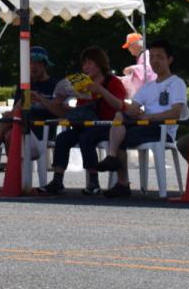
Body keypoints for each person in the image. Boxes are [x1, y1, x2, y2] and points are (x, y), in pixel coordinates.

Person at [95, 39, 187, 198]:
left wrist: (148, 116)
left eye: (159, 57)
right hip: (144, 125)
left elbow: (176, 113)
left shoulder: (176, 83)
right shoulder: (148, 86)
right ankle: (113, 161)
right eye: (151, 57)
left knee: (118, 137)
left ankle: (121, 181)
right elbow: (132, 105)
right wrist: (133, 110)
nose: (155, 61)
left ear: (169, 60)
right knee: (119, 117)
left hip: (161, 129)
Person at [39, 47, 128, 195]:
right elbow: (80, 110)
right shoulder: (83, 84)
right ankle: (57, 180)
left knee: (86, 137)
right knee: (62, 138)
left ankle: (93, 182)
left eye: (89, 63)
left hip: (107, 125)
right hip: (85, 124)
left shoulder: (113, 82)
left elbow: (120, 105)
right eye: (84, 64)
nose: (85, 68)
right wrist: (56, 101)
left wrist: (100, 90)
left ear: (100, 63)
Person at [0, 46, 61, 176]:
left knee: (7, 120)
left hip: (42, 132)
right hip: (23, 128)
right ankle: (15, 176)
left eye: (37, 63)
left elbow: (59, 111)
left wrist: (41, 100)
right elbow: (16, 111)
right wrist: (23, 101)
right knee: (8, 133)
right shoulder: (25, 84)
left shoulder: (55, 85)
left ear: (45, 64)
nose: (33, 67)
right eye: (30, 63)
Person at [120, 32, 156, 98]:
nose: (128, 49)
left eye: (129, 46)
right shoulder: (142, 56)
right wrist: (122, 79)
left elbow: (148, 69)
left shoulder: (146, 54)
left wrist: (132, 68)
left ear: (135, 44)